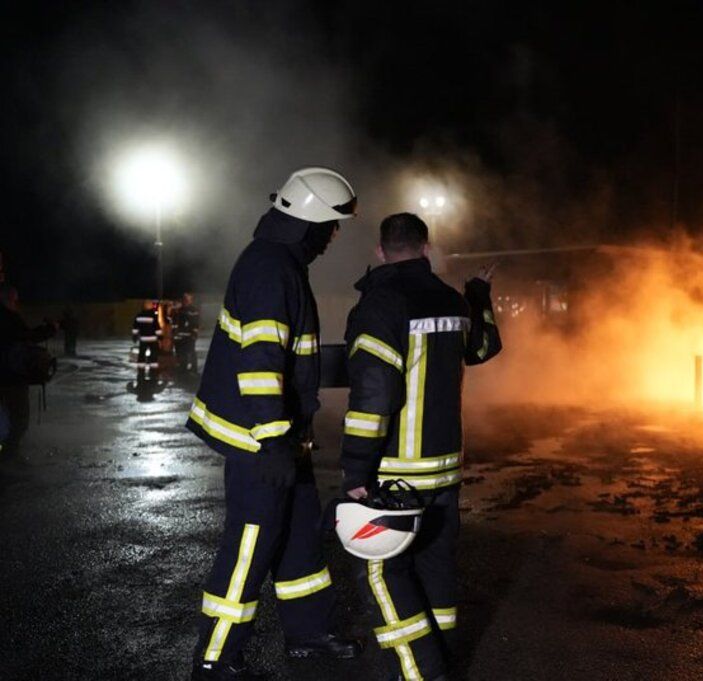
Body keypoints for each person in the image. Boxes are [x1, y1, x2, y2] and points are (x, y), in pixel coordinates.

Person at [186, 167, 362, 680]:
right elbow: (260, 362)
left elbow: (288, 355)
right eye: (331, 226)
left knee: (300, 534)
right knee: (250, 543)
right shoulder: (269, 268)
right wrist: (270, 444)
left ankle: (307, 633)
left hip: (284, 436)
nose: (333, 236)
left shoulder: (280, 262)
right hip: (259, 440)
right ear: (309, 222)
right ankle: (216, 656)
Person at [341, 213, 502, 681]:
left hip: (396, 472)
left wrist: (355, 474)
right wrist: (478, 295)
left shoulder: (380, 304)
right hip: (444, 472)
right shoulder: (450, 299)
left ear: (380, 251)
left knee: (381, 573)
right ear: (426, 247)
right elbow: (483, 347)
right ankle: (443, 660)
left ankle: (423, 674)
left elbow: (374, 397)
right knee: (436, 574)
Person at [0, 284, 56, 455]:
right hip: (10, 376)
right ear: (8, 298)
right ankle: (9, 455)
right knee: (19, 418)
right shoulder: (9, 318)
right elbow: (27, 337)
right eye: (15, 300)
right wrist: (49, 330)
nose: (16, 303)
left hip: (6, 375)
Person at [131, 300, 162, 393]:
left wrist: (135, 337)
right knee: (153, 355)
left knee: (141, 354)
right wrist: (160, 337)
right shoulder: (153, 316)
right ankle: (153, 370)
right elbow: (157, 327)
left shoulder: (139, 315)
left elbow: (135, 327)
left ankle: (141, 369)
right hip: (152, 339)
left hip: (143, 339)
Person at [173, 292, 202, 374]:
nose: (186, 300)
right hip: (179, 336)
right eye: (185, 298)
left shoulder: (193, 310)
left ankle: (193, 369)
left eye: (188, 298)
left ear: (191, 299)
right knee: (181, 353)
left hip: (189, 336)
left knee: (191, 352)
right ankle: (183, 369)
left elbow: (195, 323)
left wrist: (194, 334)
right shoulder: (179, 309)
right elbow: (175, 322)